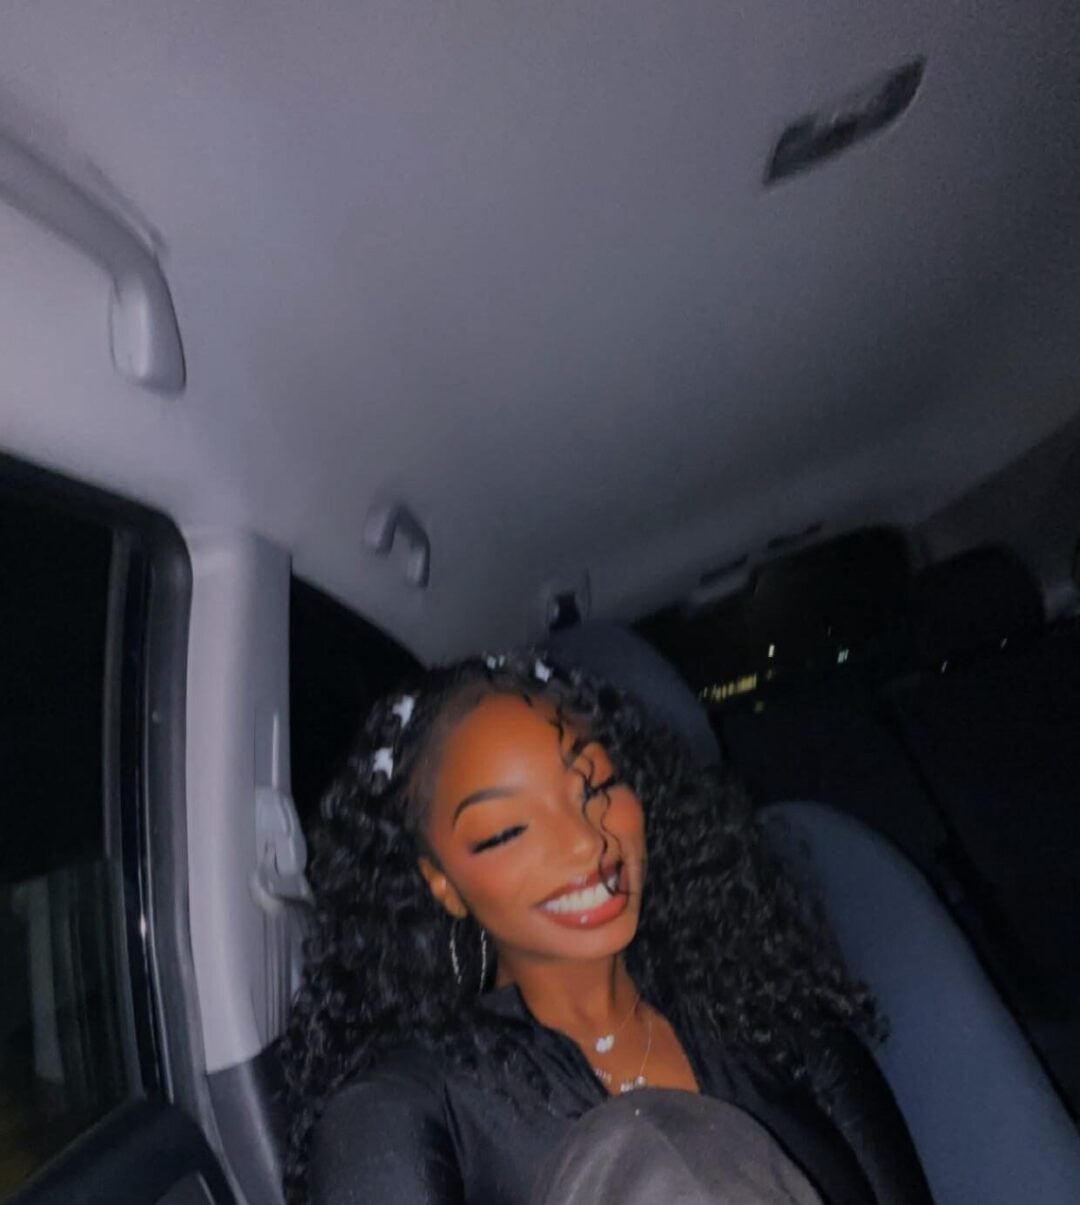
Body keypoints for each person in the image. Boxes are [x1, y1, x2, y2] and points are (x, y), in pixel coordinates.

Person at [282, 652, 932, 1205]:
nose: (584, 843)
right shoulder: (403, 1111)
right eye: (506, 831)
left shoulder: (774, 1016)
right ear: (441, 883)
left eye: (595, 786)